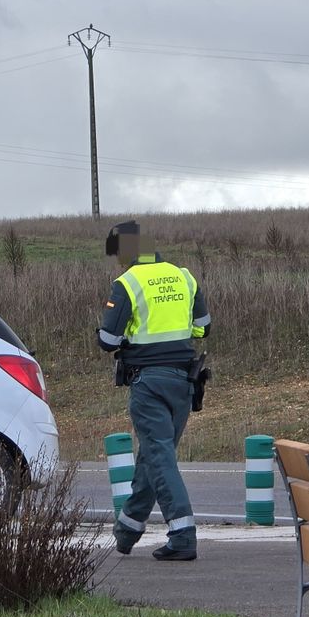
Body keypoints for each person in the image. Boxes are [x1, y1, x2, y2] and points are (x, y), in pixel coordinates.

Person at [97, 220, 210, 562]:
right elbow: (203, 329)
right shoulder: (184, 276)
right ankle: (128, 531)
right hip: (183, 383)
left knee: (159, 456)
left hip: (148, 382)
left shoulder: (128, 283)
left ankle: (182, 533)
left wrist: (129, 337)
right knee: (153, 455)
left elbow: (107, 341)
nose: (118, 261)